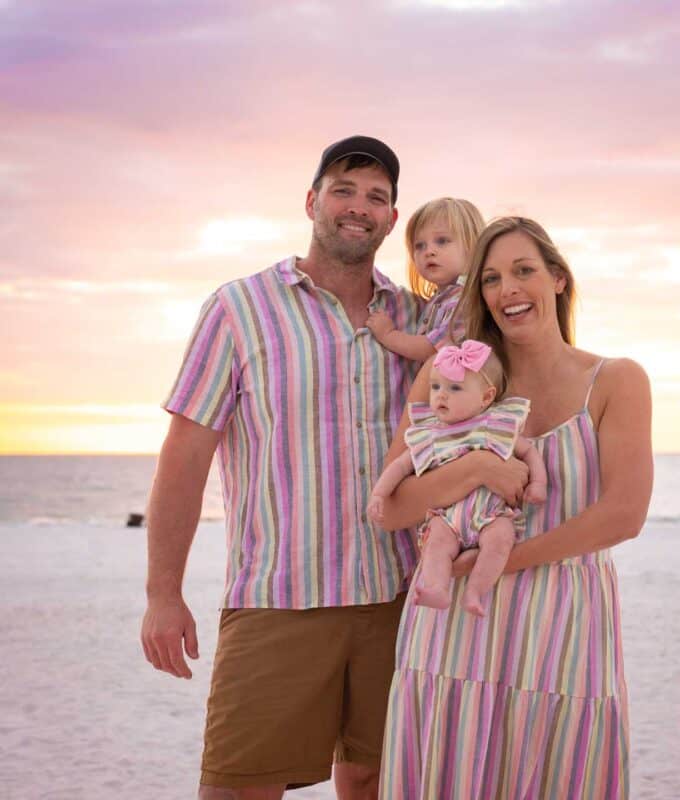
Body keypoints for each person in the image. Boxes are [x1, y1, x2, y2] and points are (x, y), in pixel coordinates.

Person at [140, 135, 426, 800]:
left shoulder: (414, 320)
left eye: (377, 198)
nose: (359, 207)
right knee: (236, 787)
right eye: (344, 190)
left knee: (379, 781)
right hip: (276, 603)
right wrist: (162, 593)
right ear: (312, 201)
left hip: (399, 604)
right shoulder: (238, 310)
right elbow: (184, 458)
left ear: (391, 218)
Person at [375, 217, 653, 798]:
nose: (508, 290)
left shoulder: (615, 381)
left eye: (524, 271)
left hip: (566, 632)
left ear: (557, 278)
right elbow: (392, 506)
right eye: (492, 279)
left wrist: (500, 560)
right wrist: (477, 468)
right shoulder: (448, 374)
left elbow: (624, 515)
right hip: (453, 635)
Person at [368, 340, 547, 616]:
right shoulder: (430, 433)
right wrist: (379, 494)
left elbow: (529, 452)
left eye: (455, 388)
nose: (441, 396)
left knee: (500, 540)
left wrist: (538, 484)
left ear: (486, 397)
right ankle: (437, 589)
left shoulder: (494, 425)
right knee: (436, 545)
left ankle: (476, 591)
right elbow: (399, 467)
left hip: (491, 514)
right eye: (436, 387)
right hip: (447, 517)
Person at [365, 197, 484, 360]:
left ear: (473, 246)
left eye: (442, 241)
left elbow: (433, 349)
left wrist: (388, 335)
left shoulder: (466, 301)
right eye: (419, 245)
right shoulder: (439, 300)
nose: (429, 251)